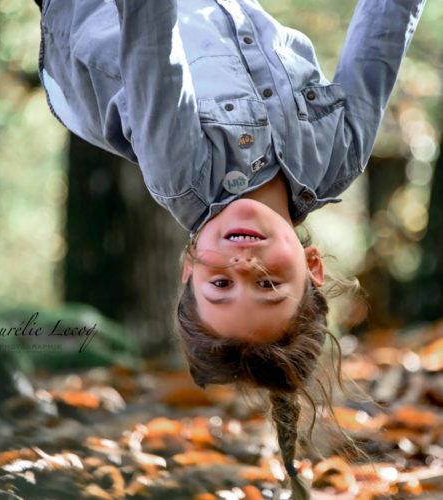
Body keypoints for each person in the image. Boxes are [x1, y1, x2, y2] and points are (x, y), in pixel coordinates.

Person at [33, 0, 426, 497]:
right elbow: (385, 28)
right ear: (312, 266)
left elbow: (152, 32)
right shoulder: (336, 158)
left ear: (189, 269)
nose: (244, 264)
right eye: (267, 284)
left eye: (221, 285)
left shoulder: (182, 174)